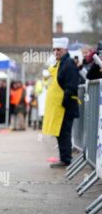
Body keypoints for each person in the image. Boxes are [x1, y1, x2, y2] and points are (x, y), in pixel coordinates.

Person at [42, 37, 80, 168]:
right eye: (54, 50)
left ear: (65, 50)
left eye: (58, 49)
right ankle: (64, 158)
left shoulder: (68, 64)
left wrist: (64, 101)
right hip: (60, 107)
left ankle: (66, 159)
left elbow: (72, 85)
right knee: (60, 133)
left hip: (65, 107)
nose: (56, 52)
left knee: (64, 133)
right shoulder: (61, 63)